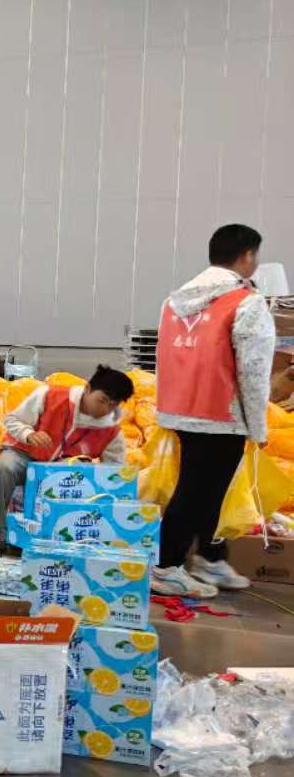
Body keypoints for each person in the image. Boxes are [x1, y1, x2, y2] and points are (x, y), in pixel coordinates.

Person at [150, 223, 276, 596]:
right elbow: (253, 371)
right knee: (197, 492)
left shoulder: (173, 302)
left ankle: (209, 556)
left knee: (211, 490)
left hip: (181, 408)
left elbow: (162, 357)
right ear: (247, 255)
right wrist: (258, 426)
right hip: (222, 413)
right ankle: (167, 566)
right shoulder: (246, 302)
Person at [0, 365, 135, 556]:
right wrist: (29, 434)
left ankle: (56, 541)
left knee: (80, 475)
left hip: (62, 471)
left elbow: (114, 471)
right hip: (24, 455)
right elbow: (12, 419)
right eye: (102, 400)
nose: (105, 409)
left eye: (112, 405)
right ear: (87, 389)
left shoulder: (111, 431)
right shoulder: (50, 396)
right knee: (0, 469)